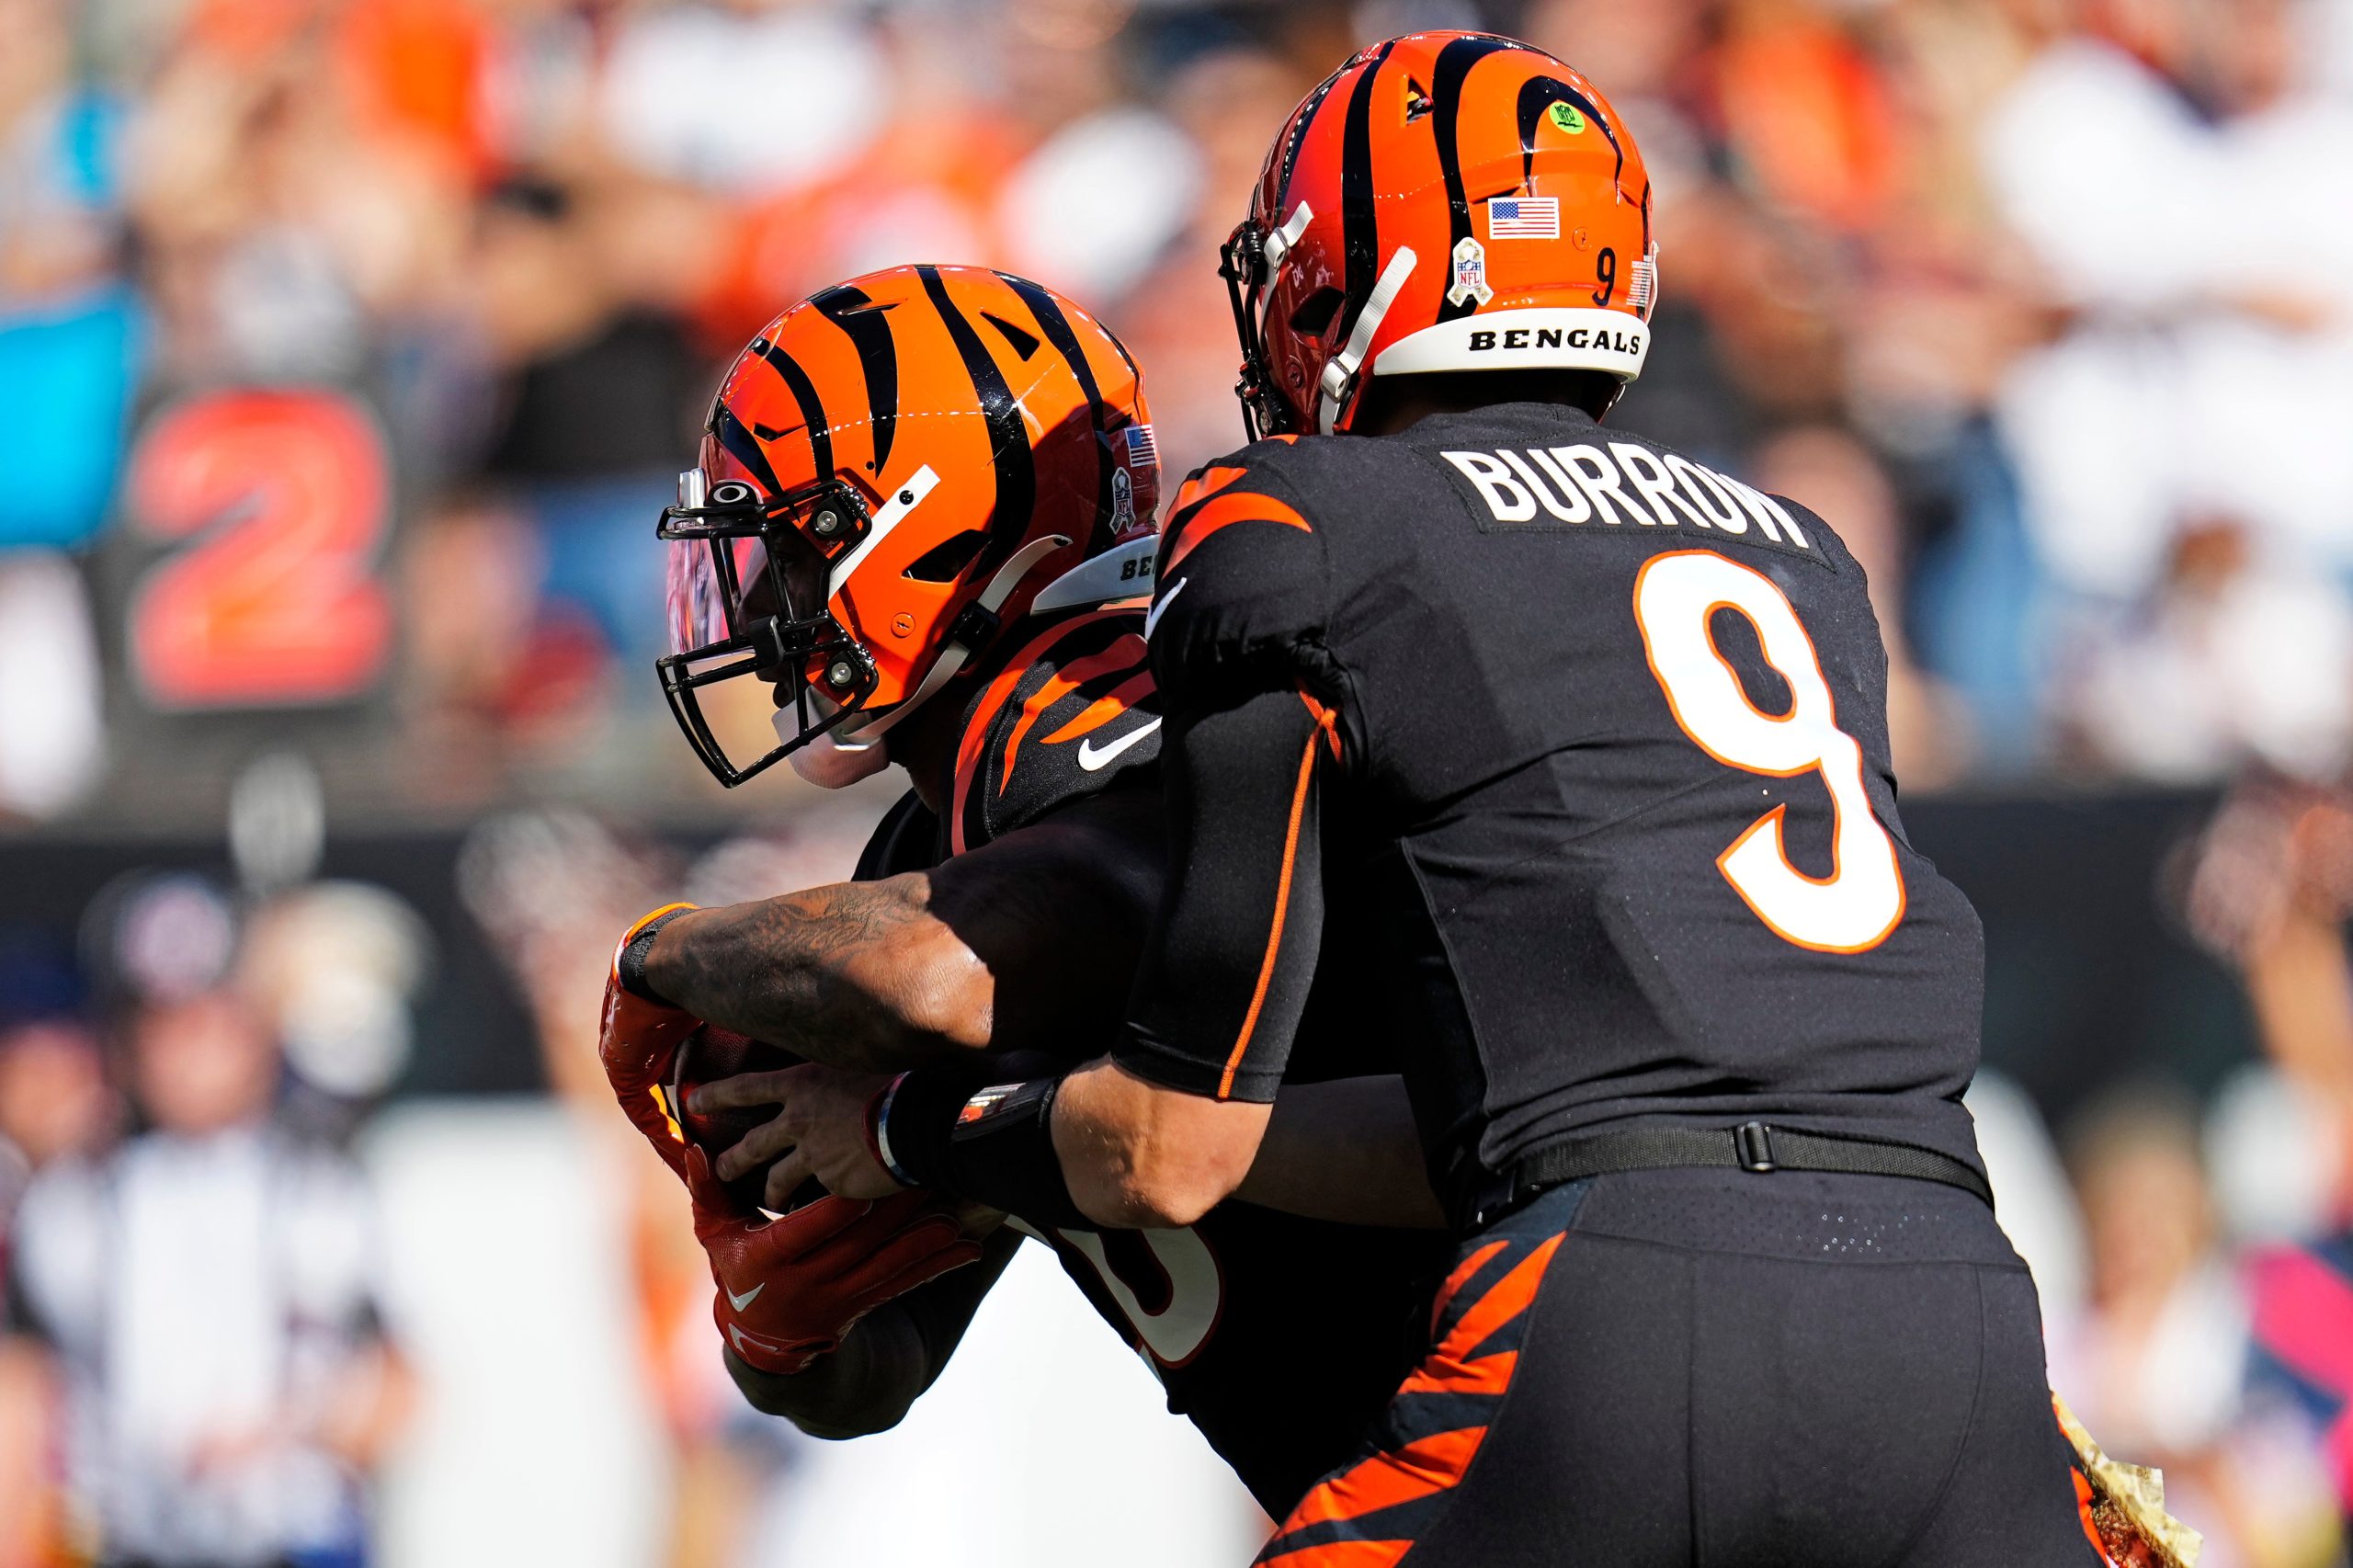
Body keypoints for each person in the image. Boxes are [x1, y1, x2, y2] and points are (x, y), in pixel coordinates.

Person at [771, 34, 2122, 1563]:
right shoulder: (1799, 546)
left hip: (1618, 1293)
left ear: (1345, 285)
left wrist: (872, 1102)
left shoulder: (1295, 521)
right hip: (1956, 1299)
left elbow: (1174, 1137)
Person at [602, 263, 1448, 1518]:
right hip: (1390, 1463)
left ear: (911, 525)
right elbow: (878, 1374)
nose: (763, 604)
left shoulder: (1133, 698)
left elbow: (948, 975)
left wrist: (657, 956)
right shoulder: (930, 831)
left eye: (786, 546)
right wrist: (781, 1306)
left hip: (1523, 1395)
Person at [3, 990, 409, 1568]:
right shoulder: (70, 1209)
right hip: (123, 1540)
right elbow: (24, 1387)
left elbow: (403, 1384)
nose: (193, 1062)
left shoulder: (325, 1194)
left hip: (292, 1539)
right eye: (171, 1037)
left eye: (214, 1036)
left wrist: (295, 1429)